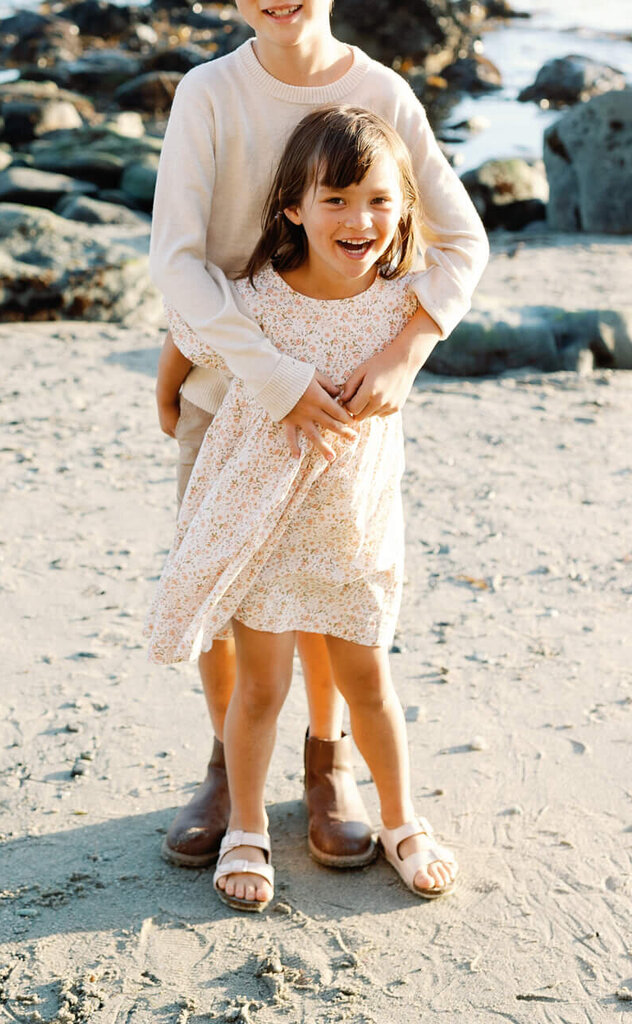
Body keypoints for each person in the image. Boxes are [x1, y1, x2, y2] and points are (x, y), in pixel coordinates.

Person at [148, 0, 488, 873]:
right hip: (231, 393)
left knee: (334, 588)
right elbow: (178, 262)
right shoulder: (210, 93)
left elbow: (461, 240)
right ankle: (228, 764)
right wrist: (268, 377)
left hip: (348, 401)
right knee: (226, 585)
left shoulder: (380, 93)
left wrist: (407, 347)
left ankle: (327, 757)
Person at [148, 107, 459, 908]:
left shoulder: (404, 307)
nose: (360, 220)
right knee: (261, 688)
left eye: (379, 201)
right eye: (337, 200)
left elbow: (466, 256)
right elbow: (187, 332)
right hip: (270, 531)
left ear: (404, 208)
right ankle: (247, 827)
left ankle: (402, 821)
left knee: (370, 684)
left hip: (354, 532)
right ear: (292, 207)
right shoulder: (258, 299)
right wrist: (166, 399)